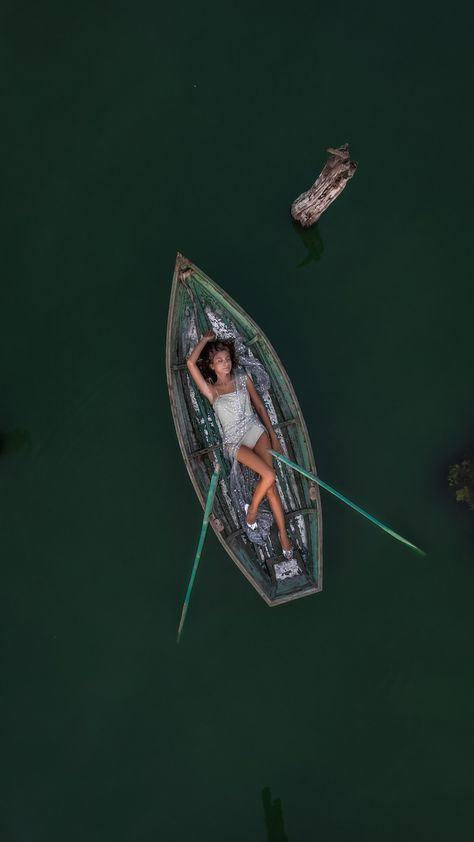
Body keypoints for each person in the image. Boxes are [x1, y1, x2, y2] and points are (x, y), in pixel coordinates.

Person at [186, 329, 293, 558]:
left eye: (227, 359)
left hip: (256, 431)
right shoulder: (212, 390)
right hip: (235, 441)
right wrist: (205, 340)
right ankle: (252, 512)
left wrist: (274, 437)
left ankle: (283, 534)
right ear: (212, 366)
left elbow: (261, 407)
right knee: (269, 476)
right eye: (219, 361)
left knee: (271, 486)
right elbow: (190, 363)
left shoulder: (243, 378)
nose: (225, 364)